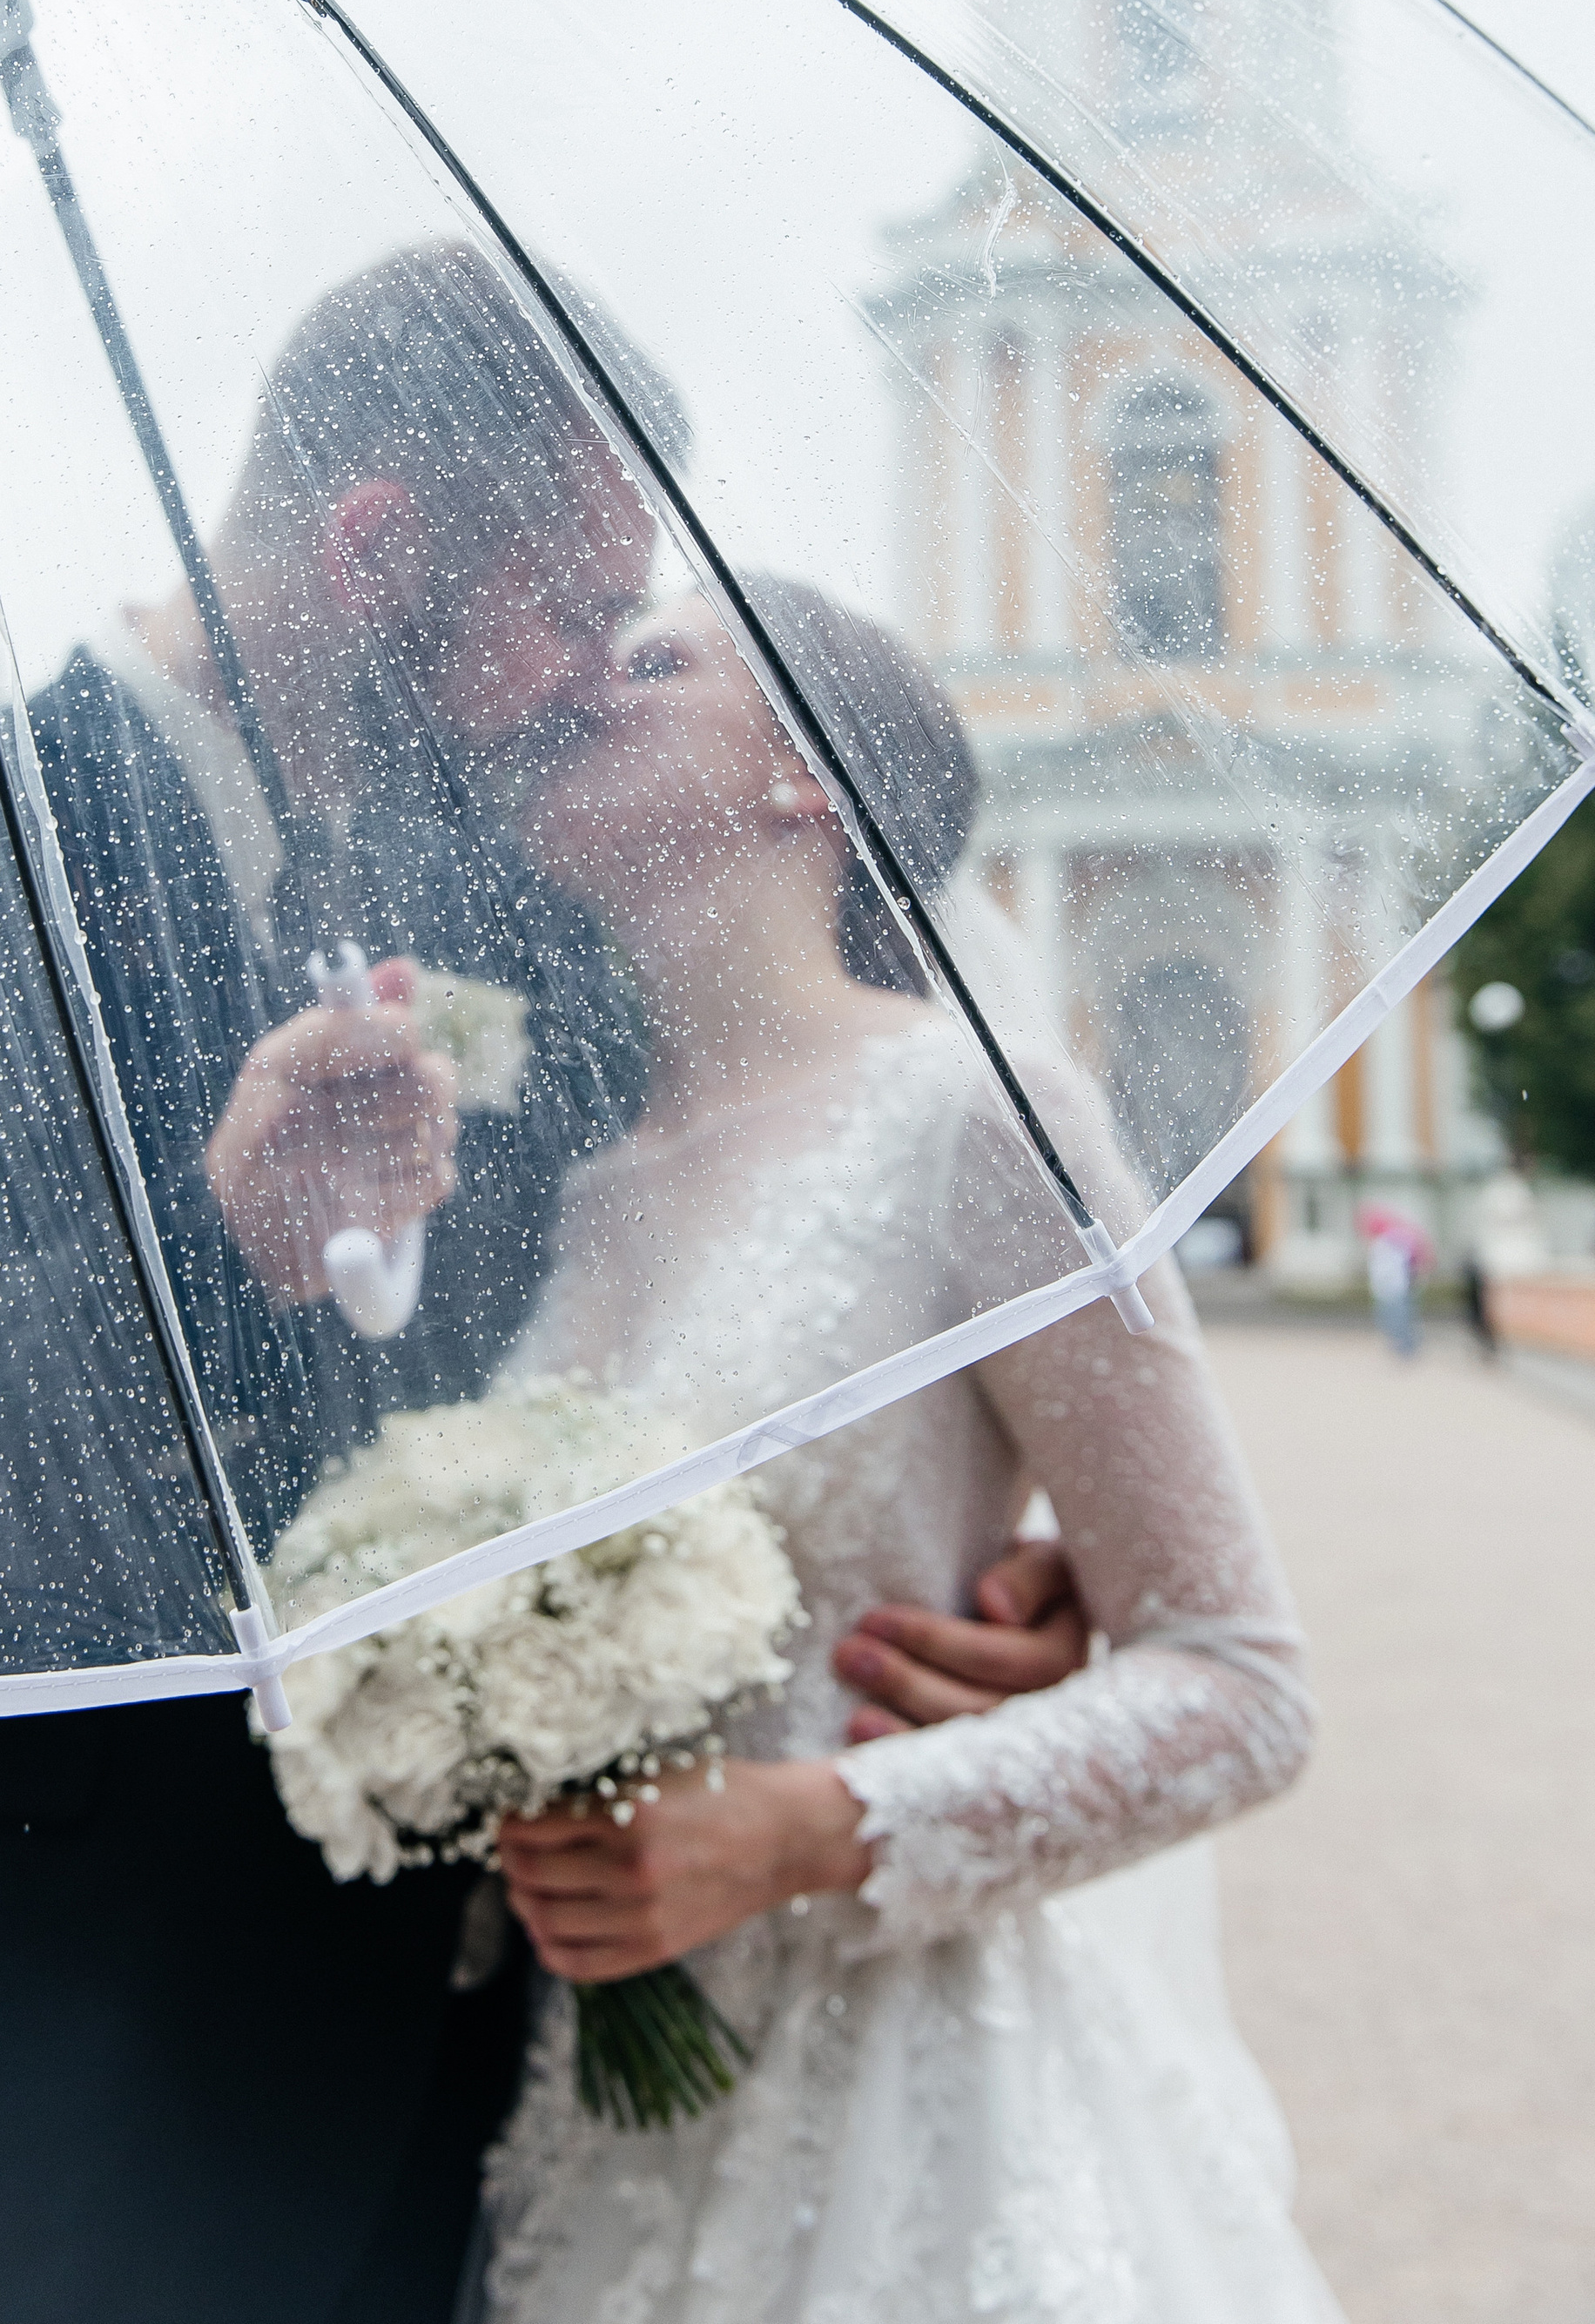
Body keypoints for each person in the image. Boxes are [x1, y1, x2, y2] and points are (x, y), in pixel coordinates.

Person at [0, 246, 1091, 2324]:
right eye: (575, 609)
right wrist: (200, 1257)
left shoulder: (526, 910)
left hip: (423, 2134)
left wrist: (993, 1561)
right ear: (376, 539)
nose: (596, 676)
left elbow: (763, 1217)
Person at [484, 582, 1337, 2322]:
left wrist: (805, 1824)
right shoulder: (564, 1193)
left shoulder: (980, 1118)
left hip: (910, 2107)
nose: (581, 681)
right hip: (600, 2100)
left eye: (651, 660)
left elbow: (1241, 1685)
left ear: (805, 774)